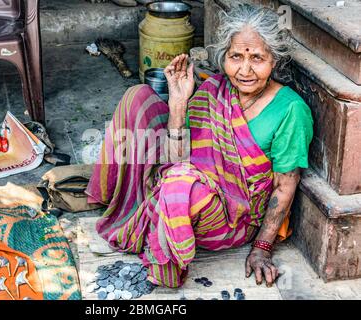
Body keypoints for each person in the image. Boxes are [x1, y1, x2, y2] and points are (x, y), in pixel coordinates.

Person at [86, 3, 313, 288]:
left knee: (179, 185)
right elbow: (175, 159)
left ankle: (160, 225)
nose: (244, 69)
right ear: (224, 57)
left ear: (274, 61)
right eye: (235, 56)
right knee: (138, 97)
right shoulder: (214, 90)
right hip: (182, 181)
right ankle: (143, 202)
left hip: (231, 216)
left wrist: (262, 248)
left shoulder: (291, 109)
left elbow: (284, 185)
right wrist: (178, 105)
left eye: (257, 58)